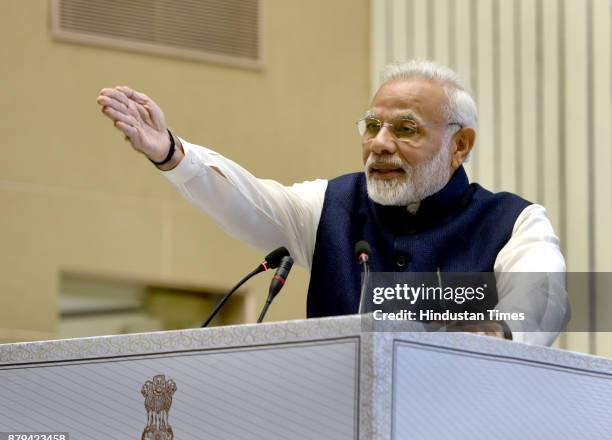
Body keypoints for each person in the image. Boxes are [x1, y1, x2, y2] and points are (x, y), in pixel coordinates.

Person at [97, 60, 569, 345]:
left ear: (460, 144)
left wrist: (497, 333)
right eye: (371, 126)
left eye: (405, 128)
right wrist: (172, 153)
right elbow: (249, 201)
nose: (380, 144)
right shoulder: (332, 205)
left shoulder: (512, 222)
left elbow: (542, 297)